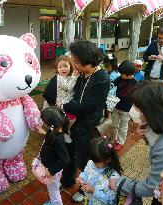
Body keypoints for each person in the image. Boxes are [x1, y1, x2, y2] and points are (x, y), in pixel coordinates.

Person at [109, 82, 163, 205]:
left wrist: (119, 183)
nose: (138, 115)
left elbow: (152, 186)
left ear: (151, 113)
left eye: (139, 111)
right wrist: (147, 134)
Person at [56, 40, 110, 202]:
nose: (74, 64)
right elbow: (73, 94)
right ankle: (66, 180)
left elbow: (85, 106)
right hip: (73, 122)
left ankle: (81, 188)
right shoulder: (80, 74)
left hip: (87, 126)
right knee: (68, 152)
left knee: (82, 159)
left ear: (89, 62)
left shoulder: (102, 79)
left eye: (77, 62)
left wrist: (64, 106)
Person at [36, 106, 70, 205]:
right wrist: (45, 133)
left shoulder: (59, 140)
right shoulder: (55, 131)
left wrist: (51, 171)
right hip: (52, 168)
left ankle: (56, 203)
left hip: (52, 170)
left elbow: (65, 160)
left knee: (53, 191)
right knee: (54, 187)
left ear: (50, 124)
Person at [76, 137, 122, 205]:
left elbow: (112, 200)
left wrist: (93, 191)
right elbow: (86, 172)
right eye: (92, 160)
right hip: (90, 200)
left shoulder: (113, 178)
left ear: (108, 160)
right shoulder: (92, 162)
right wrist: (81, 178)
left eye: (96, 162)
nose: (93, 164)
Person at [42, 55, 79, 129]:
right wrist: (75, 77)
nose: (63, 69)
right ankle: (57, 132)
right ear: (57, 68)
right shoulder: (59, 78)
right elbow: (68, 87)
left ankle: (65, 131)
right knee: (60, 119)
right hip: (61, 103)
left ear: (71, 66)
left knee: (71, 119)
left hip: (68, 101)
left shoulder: (69, 76)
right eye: (60, 67)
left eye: (65, 66)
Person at [111, 60, 137, 151]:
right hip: (116, 106)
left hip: (126, 109)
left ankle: (120, 142)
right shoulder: (120, 78)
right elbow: (112, 84)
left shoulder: (135, 83)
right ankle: (115, 138)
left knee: (123, 126)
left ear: (129, 74)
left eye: (122, 74)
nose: (120, 75)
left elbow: (136, 96)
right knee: (114, 124)